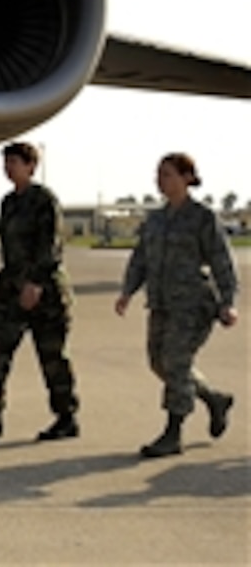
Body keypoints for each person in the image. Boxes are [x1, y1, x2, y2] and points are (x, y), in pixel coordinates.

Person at [114, 152, 239, 458]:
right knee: (160, 362)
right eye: (159, 174)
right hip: (161, 303)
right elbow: (141, 257)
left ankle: (173, 433)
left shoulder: (202, 217)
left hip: (193, 305)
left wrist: (228, 302)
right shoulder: (155, 219)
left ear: (187, 178)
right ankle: (213, 398)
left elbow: (222, 261)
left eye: (167, 174)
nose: (161, 180)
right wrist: (127, 291)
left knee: (176, 361)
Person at [0, 141, 81, 441]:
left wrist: (36, 283)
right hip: (11, 289)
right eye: (6, 162)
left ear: (30, 166)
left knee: (52, 357)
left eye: (14, 162)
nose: (8, 168)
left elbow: (50, 246)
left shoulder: (43, 200)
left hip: (45, 291)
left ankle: (66, 417)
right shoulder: (9, 203)